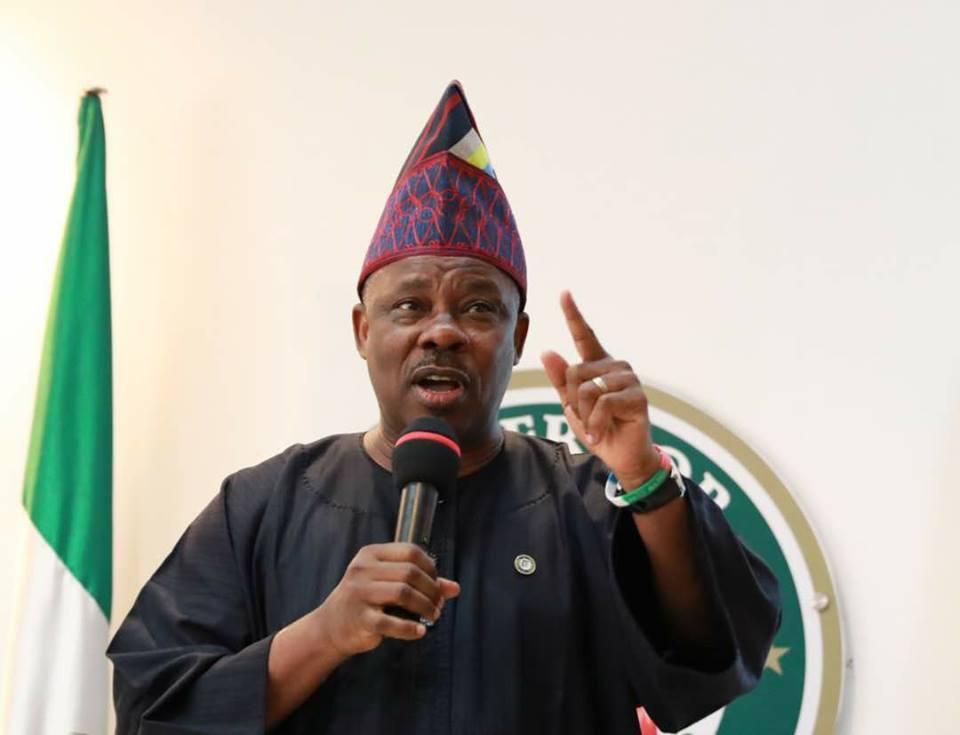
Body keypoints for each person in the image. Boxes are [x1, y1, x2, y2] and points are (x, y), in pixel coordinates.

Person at [108, 82, 781, 735]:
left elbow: (714, 654)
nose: (443, 331)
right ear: (362, 331)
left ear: (516, 339)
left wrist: (644, 476)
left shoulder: (589, 507)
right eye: (409, 305)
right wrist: (325, 631)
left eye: (479, 307)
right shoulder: (260, 507)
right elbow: (154, 708)